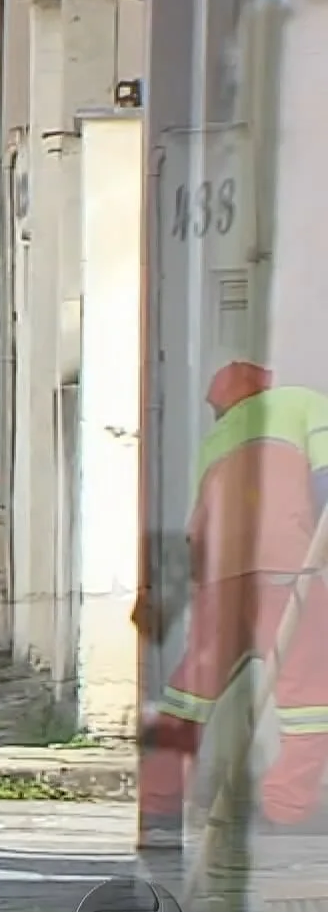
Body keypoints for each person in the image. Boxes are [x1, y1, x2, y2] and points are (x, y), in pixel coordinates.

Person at [138, 361, 328, 844]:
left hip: (222, 580)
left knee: (188, 696)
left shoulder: (215, 441)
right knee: (310, 699)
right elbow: (326, 479)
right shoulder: (303, 402)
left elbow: (195, 532)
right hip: (288, 569)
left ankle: (158, 806)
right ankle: (285, 807)